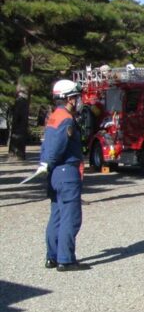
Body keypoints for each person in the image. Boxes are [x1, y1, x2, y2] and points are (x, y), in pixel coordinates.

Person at [39, 79, 87, 271]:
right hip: (66, 171)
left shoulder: (54, 116)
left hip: (55, 173)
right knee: (70, 216)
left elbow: (47, 146)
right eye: (77, 97)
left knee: (56, 215)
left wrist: (45, 165)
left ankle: (52, 256)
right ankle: (65, 259)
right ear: (70, 99)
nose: (79, 100)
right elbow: (58, 147)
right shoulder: (66, 119)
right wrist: (50, 161)